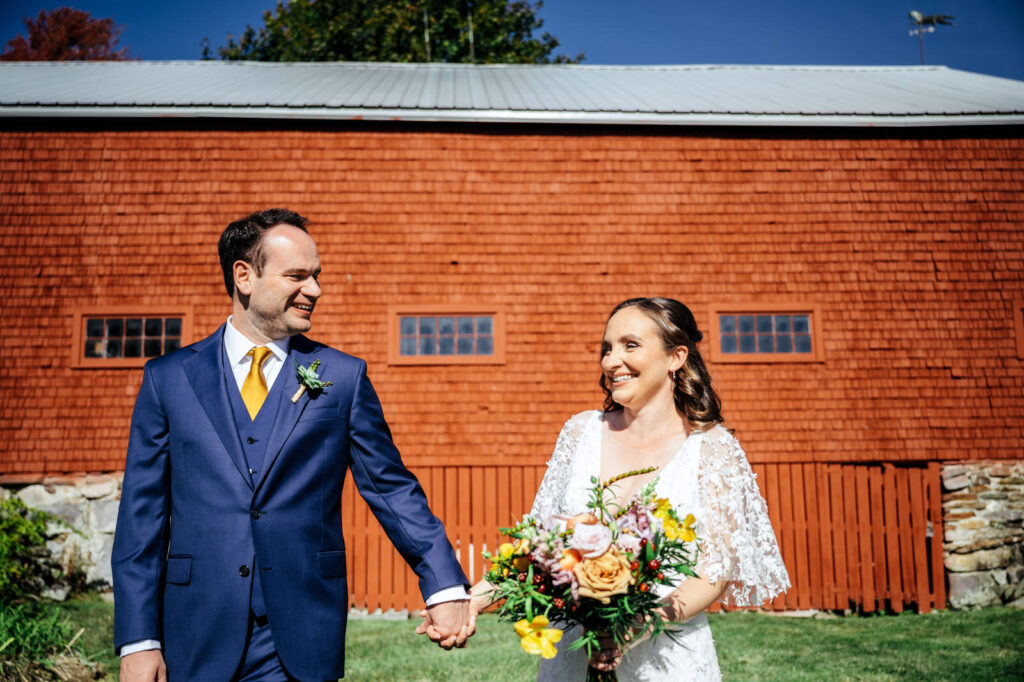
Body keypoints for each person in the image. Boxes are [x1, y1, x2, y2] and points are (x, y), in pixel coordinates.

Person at [112, 209, 473, 682]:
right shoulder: (168, 379)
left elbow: (391, 489)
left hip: (300, 635)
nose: (316, 290)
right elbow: (142, 518)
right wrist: (138, 640)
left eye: (317, 276)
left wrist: (443, 584)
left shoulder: (342, 377)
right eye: (297, 276)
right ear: (244, 275)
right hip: (194, 632)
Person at [468, 297, 789, 681]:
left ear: (676, 357)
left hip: (668, 659)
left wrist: (632, 627)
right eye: (607, 348)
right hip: (573, 656)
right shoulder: (580, 432)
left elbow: (712, 573)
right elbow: (539, 545)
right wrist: (469, 601)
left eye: (629, 345)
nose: (610, 361)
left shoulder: (714, 449)